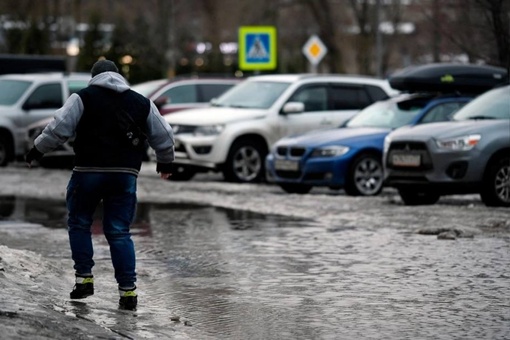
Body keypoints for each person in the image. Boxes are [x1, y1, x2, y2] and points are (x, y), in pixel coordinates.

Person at [25, 59, 175, 310]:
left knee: (79, 223)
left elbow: (58, 129)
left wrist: (37, 150)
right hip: (124, 175)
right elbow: (164, 134)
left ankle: (84, 280)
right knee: (119, 231)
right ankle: (128, 293)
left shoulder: (83, 97)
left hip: (88, 172)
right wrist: (166, 162)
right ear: (118, 76)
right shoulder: (141, 102)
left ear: (93, 77)